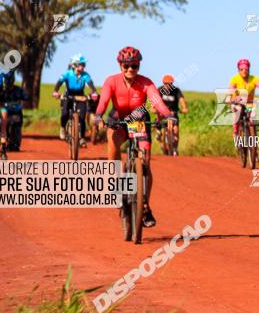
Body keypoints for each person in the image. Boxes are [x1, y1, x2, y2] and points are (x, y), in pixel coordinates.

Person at [93, 46, 172, 227]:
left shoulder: (146, 83)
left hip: (139, 121)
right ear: (120, 65)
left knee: (145, 163)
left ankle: (144, 205)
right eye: (126, 66)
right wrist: (98, 116)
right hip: (118, 120)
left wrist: (168, 116)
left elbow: (157, 101)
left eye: (134, 66)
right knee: (113, 152)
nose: (130, 69)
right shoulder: (111, 81)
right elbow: (104, 100)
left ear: (139, 66)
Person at [52, 54, 97, 145]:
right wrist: (56, 91)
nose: (83, 66)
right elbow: (59, 83)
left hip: (81, 96)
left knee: (81, 118)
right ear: (75, 65)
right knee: (64, 113)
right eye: (81, 64)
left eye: (84, 64)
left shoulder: (85, 75)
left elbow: (91, 85)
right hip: (68, 95)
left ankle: (82, 138)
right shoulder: (67, 74)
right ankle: (63, 128)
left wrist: (94, 93)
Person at [227, 59, 259, 136]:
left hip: (250, 103)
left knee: (252, 117)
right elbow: (230, 91)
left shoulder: (254, 79)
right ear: (238, 70)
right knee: (237, 111)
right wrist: (229, 98)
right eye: (241, 69)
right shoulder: (234, 79)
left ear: (249, 69)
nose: (244, 71)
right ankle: (236, 132)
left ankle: (253, 142)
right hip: (237, 103)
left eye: (246, 69)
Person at [156, 74, 189, 151]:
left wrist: (184, 108)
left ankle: (175, 149)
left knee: (176, 131)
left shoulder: (176, 90)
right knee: (158, 118)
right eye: (166, 83)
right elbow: (156, 100)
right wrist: (155, 108)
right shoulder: (160, 90)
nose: (168, 85)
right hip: (162, 112)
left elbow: (181, 99)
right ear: (163, 83)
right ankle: (159, 131)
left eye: (170, 84)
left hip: (173, 113)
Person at [0, 72, 28, 151]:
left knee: (17, 127)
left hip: (16, 113)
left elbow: (26, 96)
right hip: (3, 114)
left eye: (10, 80)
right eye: (6, 80)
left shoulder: (18, 90)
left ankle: (15, 144)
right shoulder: (1, 90)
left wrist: (24, 97)